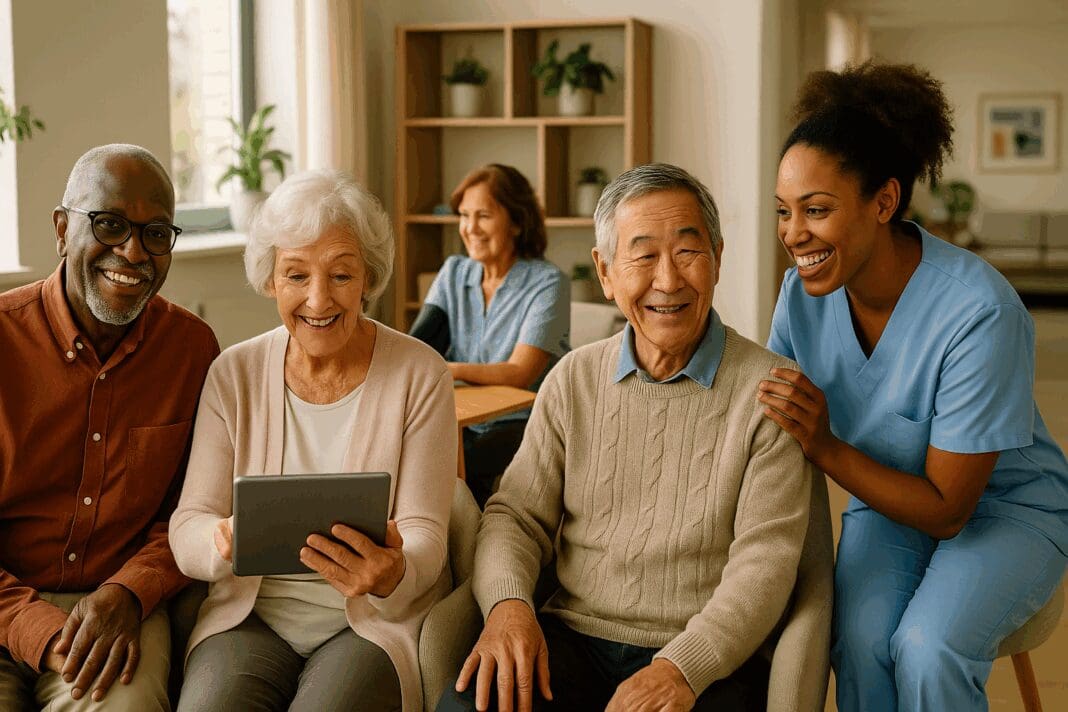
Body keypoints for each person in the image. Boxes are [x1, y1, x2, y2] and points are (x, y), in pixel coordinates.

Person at [447, 163, 830, 712]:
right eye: (644, 256)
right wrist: (509, 607)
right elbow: (516, 517)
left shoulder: (772, 391)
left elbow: (764, 564)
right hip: (573, 639)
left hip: (706, 656)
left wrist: (681, 669)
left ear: (718, 258)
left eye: (688, 251)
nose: (668, 281)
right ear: (605, 273)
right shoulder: (573, 380)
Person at [762, 61, 1068, 712]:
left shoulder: (978, 312)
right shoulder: (800, 298)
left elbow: (949, 508)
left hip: (1005, 514)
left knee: (927, 649)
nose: (793, 234)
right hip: (888, 504)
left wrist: (827, 447)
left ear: (884, 202)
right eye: (784, 212)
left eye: (816, 210)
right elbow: (767, 423)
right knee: (859, 643)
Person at [169, 169, 456, 712]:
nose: (318, 300)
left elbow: (425, 531)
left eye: (341, 275)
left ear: (368, 277)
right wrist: (220, 541)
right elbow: (189, 525)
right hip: (249, 620)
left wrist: (395, 570)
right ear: (271, 280)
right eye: (296, 275)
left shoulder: (421, 374)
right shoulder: (233, 374)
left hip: (366, 626)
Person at [0, 144, 219, 710]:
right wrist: (37, 628)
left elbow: (193, 509)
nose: (133, 251)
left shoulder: (192, 351)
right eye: (110, 224)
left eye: (155, 233)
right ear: (61, 230)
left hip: (118, 612)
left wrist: (130, 589)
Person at [409, 164, 569, 506]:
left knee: (444, 472)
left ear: (516, 222)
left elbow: (520, 373)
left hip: (523, 422)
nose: (470, 228)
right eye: (464, 215)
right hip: (463, 419)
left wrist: (451, 369)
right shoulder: (454, 272)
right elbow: (419, 347)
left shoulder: (548, 283)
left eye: (483, 216)